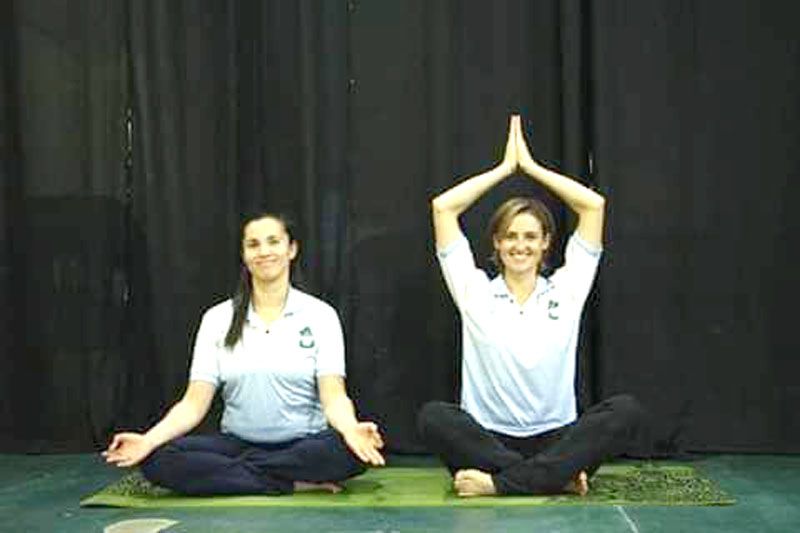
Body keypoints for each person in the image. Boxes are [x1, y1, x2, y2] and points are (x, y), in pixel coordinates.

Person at [418, 115, 644, 497]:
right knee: (433, 418)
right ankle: (552, 478)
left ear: (545, 244)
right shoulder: (474, 291)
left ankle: (501, 483)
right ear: (496, 244)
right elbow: (443, 208)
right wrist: (504, 170)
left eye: (530, 236)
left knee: (625, 410)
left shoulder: (567, 290)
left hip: (557, 440)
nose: (519, 245)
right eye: (509, 236)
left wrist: (533, 169)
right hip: (488, 439)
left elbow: (593, 206)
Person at [103, 211, 385, 495]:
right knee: (158, 459)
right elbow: (193, 404)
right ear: (244, 254)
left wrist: (350, 429)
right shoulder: (217, 318)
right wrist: (147, 441)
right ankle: (289, 482)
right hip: (237, 443)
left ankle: (241, 475)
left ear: (292, 249)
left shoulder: (321, 316)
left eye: (273, 242)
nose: (264, 251)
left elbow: (333, 395)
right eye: (253, 244)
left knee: (346, 453)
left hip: (304, 444)